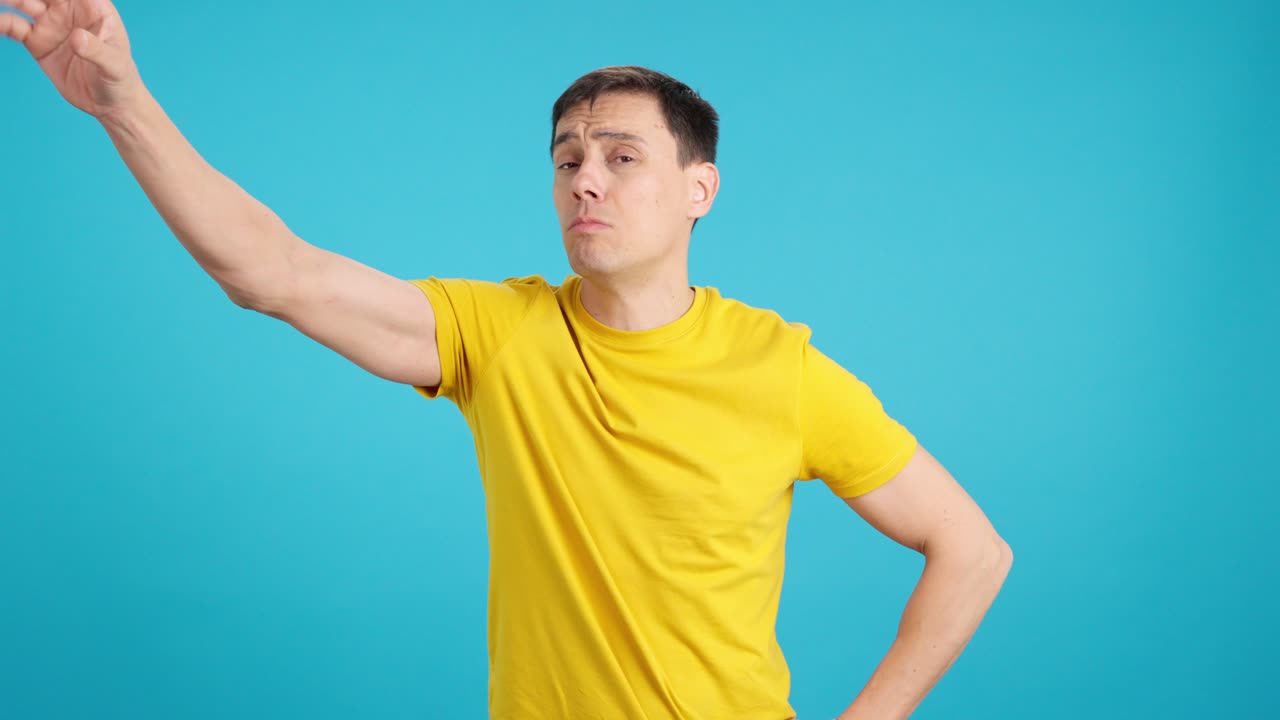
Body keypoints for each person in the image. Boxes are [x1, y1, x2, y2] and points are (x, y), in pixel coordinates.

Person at [3, 2, 1014, 718]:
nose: (586, 180)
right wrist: (122, 103)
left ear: (698, 189)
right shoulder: (500, 335)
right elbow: (276, 274)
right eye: (567, 159)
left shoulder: (780, 369)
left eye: (622, 157)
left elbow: (972, 550)